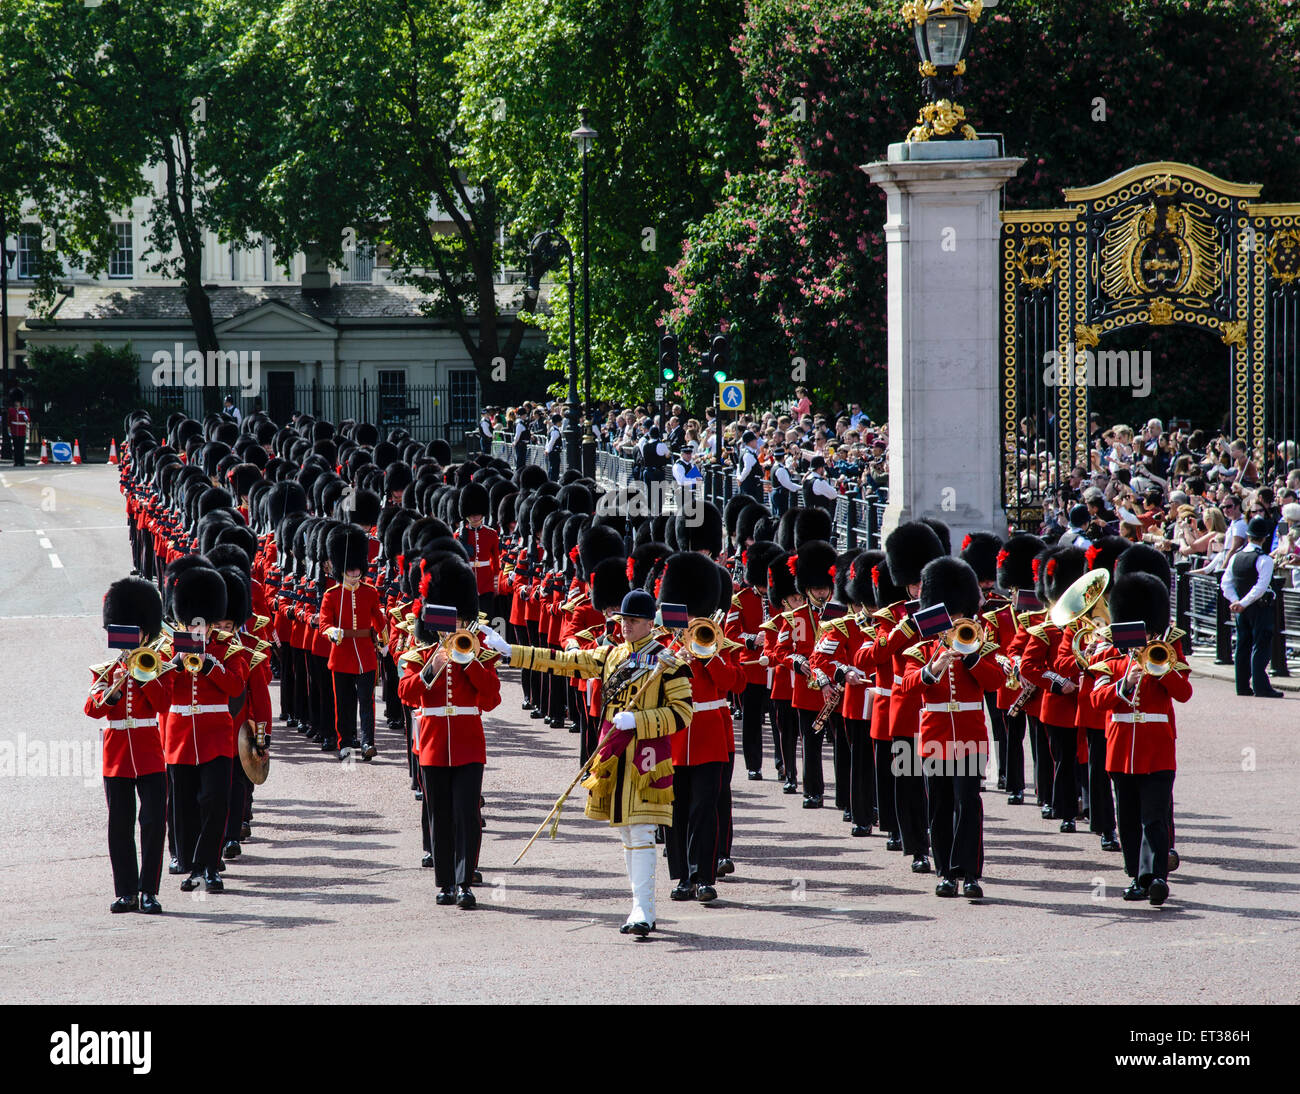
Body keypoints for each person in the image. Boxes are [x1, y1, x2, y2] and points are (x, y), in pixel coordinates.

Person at [480, 589, 694, 937]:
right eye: (623, 620)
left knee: (640, 830)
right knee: (626, 831)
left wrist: (639, 722)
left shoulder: (669, 662)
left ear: (648, 624)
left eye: (633, 621)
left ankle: (644, 909)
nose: (625, 627)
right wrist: (510, 651)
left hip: (645, 758)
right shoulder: (612, 655)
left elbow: (683, 713)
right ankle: (640, 905)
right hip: (613, 753)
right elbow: (565, 662)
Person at [399, 557, 502, 909]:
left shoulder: (477, 654)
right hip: (431, 744)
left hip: (468, 743)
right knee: (438, 814)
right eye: (447, 620)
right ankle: (444, 882)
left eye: (458, 619)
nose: (452, 626)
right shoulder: (418, 654)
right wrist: (433, 666)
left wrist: (469, 662)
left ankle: (464, 883)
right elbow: (406, 692)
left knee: (467, 813)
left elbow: (491, 698)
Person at [1090, 573, 1193, 906]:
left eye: (1147, 633)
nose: (1143, 639)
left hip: (1158, 750)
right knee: (1129, 820)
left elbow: (1185, 693)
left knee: (1155, 817)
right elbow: (1096, 700)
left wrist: (1162, 671)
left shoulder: (1165, 658)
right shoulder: (1111, 661)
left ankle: (1158, 876)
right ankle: (1137, 877)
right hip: (1121, 751)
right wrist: (1126, 684)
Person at [85, 577, 173, 914]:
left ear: (145, 634)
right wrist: (112, 694)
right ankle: (126, 891)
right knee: (120, 825)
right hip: (118, 755)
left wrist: (143, 677)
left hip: (150, 753)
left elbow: (163, 705)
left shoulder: (155, 667)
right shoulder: (105, 671)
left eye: (135, 631)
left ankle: (149, 890)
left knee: (152, 823)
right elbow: (91, 709)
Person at [319, 525, 389, 758]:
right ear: (341, 571)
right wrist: (332, 632)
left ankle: (368, 742)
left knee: (366, 702)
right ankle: (345, 743)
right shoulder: (332, 595)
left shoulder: (369, 592)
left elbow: (379, 619)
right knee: (344, 704)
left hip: (366, 654)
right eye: (349, 571)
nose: (354, 574)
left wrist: (385, 640)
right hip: (341, 654)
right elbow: (324, 624)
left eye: (356, 570)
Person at [1220, 516, 1284, 698]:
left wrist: (1236, 601)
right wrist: (1243, 602)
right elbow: (1261, 587)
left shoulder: (1236, 557)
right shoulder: (1264, 559)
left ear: (1248, 536)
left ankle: (1242, 685)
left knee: (1242, 645)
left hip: (1242, 609)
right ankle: (1261, 686)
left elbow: (1226, 583)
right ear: (1264, 538)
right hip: (1259, 608)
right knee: (1260, 645)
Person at [735, 430, 764, 503]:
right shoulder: (749, 454)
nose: (756, 442)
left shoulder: (743, 451)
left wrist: (739, 478)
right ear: (751, 442)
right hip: (750, 486)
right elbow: (747, 469)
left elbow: (739, 466)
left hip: (746, 485)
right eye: (755, 441)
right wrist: (741, 479)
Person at [6, 387, 30, 466]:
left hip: (22, 430)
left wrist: (26, 418)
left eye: (18, 402)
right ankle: (16, 462)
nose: (16, 403)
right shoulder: (11, 410)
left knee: (21, 447)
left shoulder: (24, 410)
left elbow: (28, 419)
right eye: (16, 401)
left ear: (20, 402)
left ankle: (22, 461)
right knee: (16, 447)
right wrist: (9, 430)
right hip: (14, 430)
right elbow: (9, 421)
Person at [545, 412, 563, 479]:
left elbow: (548, 441)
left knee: (552, 468)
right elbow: (552, 442)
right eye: (560, 421)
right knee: (554, 469)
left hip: (552, 452)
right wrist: (548, 450)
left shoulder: (552, 429)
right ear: (557, 422)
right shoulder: (555, 431)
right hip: (554, 452)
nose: (561, 423)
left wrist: (547, 449)